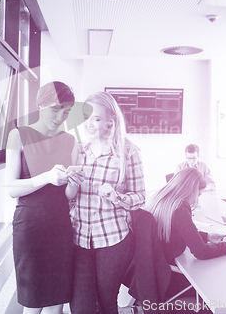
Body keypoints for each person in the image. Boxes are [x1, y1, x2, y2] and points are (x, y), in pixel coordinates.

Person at [4, 81, 83, 314]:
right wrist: (47, 177)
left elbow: (68, 197)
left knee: (55, 306)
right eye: (56, 109)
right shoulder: (17, 135)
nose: (61, 116)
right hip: (30, 228)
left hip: (60, 227)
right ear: (40, 104)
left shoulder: (70, 141)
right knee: (33, 304)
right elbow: (11, 188)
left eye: (66, 111)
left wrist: (74, 185)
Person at [68, 91, 145, 314]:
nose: (89, 124)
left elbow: (140, 196)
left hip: (113, 240)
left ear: (111, 121)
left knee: (106, 302)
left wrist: (117, 197)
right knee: (80, 307)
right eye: (86, 117)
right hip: (79, 238)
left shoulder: (128, 152)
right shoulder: (78, 150)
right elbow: (70, 197)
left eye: (97, 118)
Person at [146, 168, 226, 298]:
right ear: (191, 190)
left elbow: (175, 231)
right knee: (222, 283)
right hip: (169, 279)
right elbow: (201, 252)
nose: (197, 198)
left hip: (154, 274)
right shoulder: (179, 208)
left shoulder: (161, 199)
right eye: (198, 194)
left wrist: (207, 236)